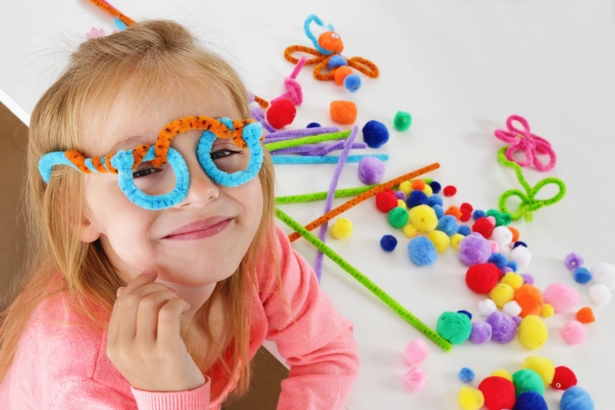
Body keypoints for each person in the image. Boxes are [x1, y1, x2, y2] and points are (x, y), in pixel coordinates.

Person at [0, 20, 359, 409]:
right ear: (77, 211)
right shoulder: (78, 381)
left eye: (222, 152)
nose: (203, 192)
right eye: (145, 169)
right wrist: (171, 396)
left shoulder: (254, 248)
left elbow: (329, 354)